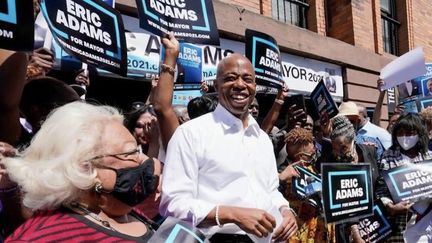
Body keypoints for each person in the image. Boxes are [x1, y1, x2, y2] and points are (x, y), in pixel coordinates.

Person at [160, 53, 297, 242]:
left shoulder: (262, 139)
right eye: (230, 78)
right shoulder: (191, 133)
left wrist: (285, 210)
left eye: (247, 79)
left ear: (254, 87)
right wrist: (231, 214)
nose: (240, 85)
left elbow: (271, 190)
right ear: (216, 86)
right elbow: (173, 203)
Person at [3, 102, 161, 242]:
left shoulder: (124, 210)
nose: (143, 159)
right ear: (85, 168)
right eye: (130, 153)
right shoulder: (47, 237)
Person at [376, 113, 432, 242]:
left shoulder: (429, 158)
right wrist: (390, 206)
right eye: (400, 133)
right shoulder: (387, 157)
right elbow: (381, 189)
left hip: (427, 220)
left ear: (420, 133)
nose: (404, 137)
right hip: (401, 223)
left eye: (409, 133)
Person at [278, 128, 335, 243]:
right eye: (311, 145)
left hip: (316, 228)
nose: (314, 149)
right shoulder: (286, 172)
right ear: (301, 152)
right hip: (299, 228)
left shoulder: (314, 167)